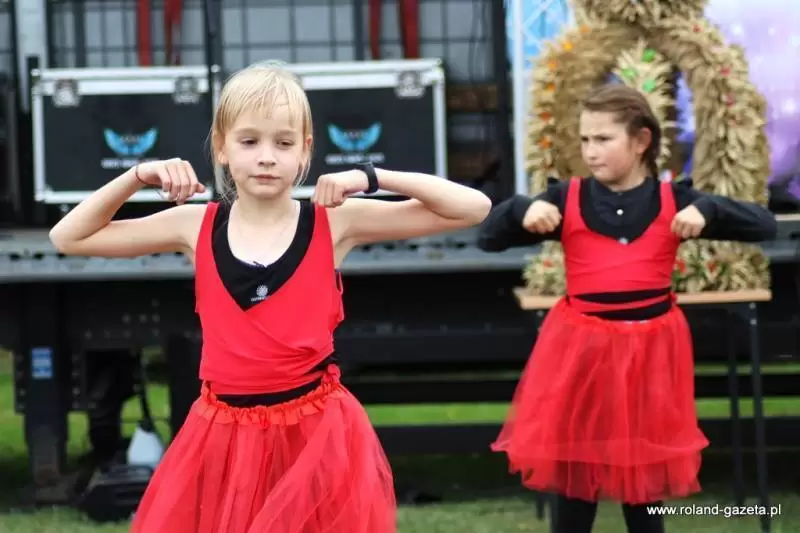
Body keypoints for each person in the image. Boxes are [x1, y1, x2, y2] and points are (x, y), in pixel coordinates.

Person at [49, 62, 492, 533]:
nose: (266, 157)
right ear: (222, 147)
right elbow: (68, 237)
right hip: (223, 438)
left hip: (315, 437)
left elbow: (473, 208)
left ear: (305, 152)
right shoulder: (194, 225)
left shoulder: (333, 222)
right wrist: (137, 175)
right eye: (249, 141)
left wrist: (372, 176)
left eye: (283, 143)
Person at [477, 83, 777, 533]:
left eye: (603, 139)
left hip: (649, 356)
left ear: (641, 141)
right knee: (576, 472)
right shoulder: (566, 199)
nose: (590, 151)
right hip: (582, 353)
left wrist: (709, 210)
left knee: (644, 482)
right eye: (585, 139)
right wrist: (520, 210)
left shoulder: (675, 202)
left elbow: (765, 225)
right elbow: (487, 238)